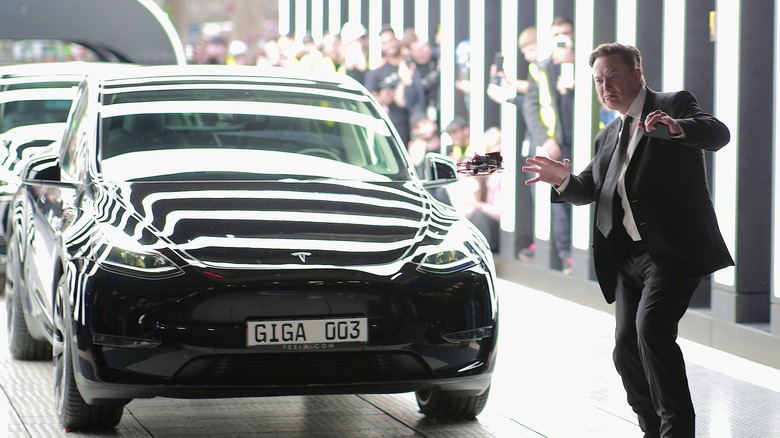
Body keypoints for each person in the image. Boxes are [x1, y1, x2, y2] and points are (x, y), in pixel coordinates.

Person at [522, 42, 733, 437]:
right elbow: (588, 189)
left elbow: (718, 133)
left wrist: (678, 128)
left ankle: (677, 431)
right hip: (628, 259)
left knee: (651, 330)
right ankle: (651, 428)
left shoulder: (673, 103)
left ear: (638, 74)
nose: (606, 86)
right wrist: (562, 180)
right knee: (625, 348)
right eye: (599, 80)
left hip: (671, 253)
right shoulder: (609, 134)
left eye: (613, 76)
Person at [522, 16, 575, 274]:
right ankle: (566, 255)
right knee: (560, 199)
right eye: (557, 35)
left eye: (566, 34)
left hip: (584, 141)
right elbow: (530, 107)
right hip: (555, 145)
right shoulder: (541, 68)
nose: (562, 39)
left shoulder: (589, 64)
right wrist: (545, 139)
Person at [365, 25, 412, 145]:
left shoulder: (410, 62)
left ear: (397, 40)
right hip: (395, 125)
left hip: (416, 120)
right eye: (385, 43)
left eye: (391, 40)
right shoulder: (377, 72)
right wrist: (382, 99)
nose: (389, 45)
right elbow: (370, 101)